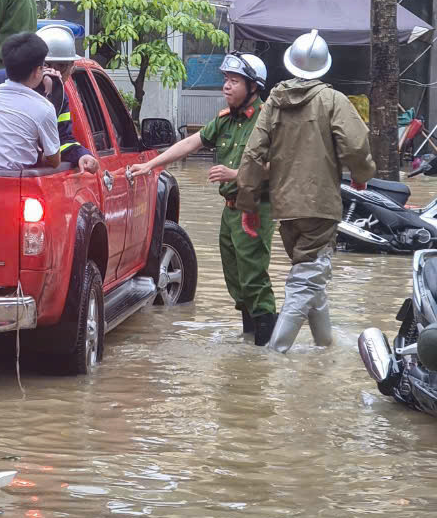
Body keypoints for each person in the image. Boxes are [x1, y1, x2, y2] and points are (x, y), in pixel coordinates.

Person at [236, 29, 376, 354]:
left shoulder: (273, 103)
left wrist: (248, 204)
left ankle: (324, 347)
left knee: (310, 275)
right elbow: (356, 146)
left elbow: (253, 154)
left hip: (286, 209)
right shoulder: (332, 100)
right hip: (321, 207)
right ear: (323, 66)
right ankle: (276, 353)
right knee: (305, 281)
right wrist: (361, 175)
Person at [129, 52, 276, 345]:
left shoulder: (268, 120)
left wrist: (236, 174)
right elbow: (191, 143)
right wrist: (152, 164)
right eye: (226, 80)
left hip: (254, 210)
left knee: (253, 281)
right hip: (230, 211)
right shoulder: (225, 120)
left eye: (235, 81)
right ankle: (250, 347)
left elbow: (283, 164)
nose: (226, 87)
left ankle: (266, 351)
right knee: (236, 281)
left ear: (253, 87)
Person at [0, 22, 98, 174]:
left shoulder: (57, 96)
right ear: (38, 66)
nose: (54, 72)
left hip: (15, 180)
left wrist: (81, 154)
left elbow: (62, 139)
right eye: (48, 64)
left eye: (61, 66)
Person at [0, 32, 61, 172]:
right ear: (37, 71)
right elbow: (54, 160)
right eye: (43, 66)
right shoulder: (44, 108)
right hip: (14, 184)